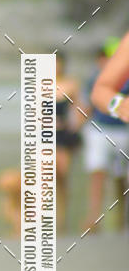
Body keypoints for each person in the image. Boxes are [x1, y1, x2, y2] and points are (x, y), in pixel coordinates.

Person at [82, 41, 129, 232]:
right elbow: (85, 106)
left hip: (124, 131)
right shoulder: (94, 79)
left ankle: (121, 218)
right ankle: (94, 218)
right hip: (99, 130)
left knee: (121, 178)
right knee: (97, 173)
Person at [55, 52, 82, 232]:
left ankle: (61, 220)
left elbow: (80, 109)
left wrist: (75, 127)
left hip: (64, 136)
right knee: (45, 177)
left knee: (63, 177)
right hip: (44, 135)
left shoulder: (71, 84)